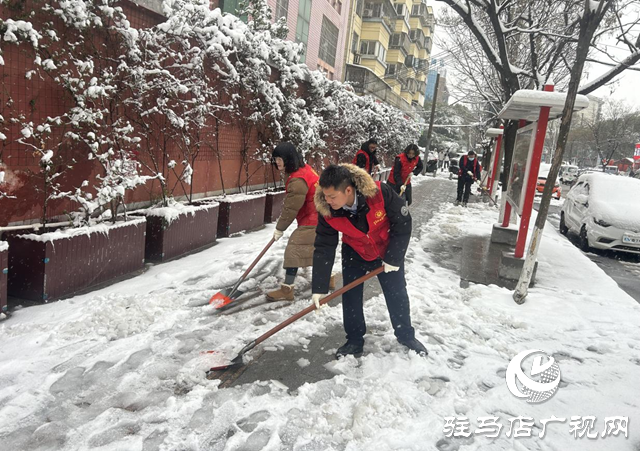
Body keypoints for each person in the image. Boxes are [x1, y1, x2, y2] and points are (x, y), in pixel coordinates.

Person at [311, 164, 428, 358]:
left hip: (386, 250)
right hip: (354, 252)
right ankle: (354, 340)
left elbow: (403, 222)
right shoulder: (327, 210)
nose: (328, 200)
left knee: (397, 293)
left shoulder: (379, 193)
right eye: (325, 196)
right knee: (351, 296)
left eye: (332, 196)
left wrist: (393, 257)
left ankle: (406, 336)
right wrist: (319, 288)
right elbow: (324, 246)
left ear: (348, 190)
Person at [267, 142, 323, 301]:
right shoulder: (304, 169)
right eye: (275, 158)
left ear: (289, 159)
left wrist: (280, 228)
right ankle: (329, 277)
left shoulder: (298, 179)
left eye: (280, 158)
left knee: (294, 250)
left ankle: (287, 290)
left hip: (314, 218)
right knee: (316, 250)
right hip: (320, 215)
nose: (277, 162)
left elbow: (291, 208)